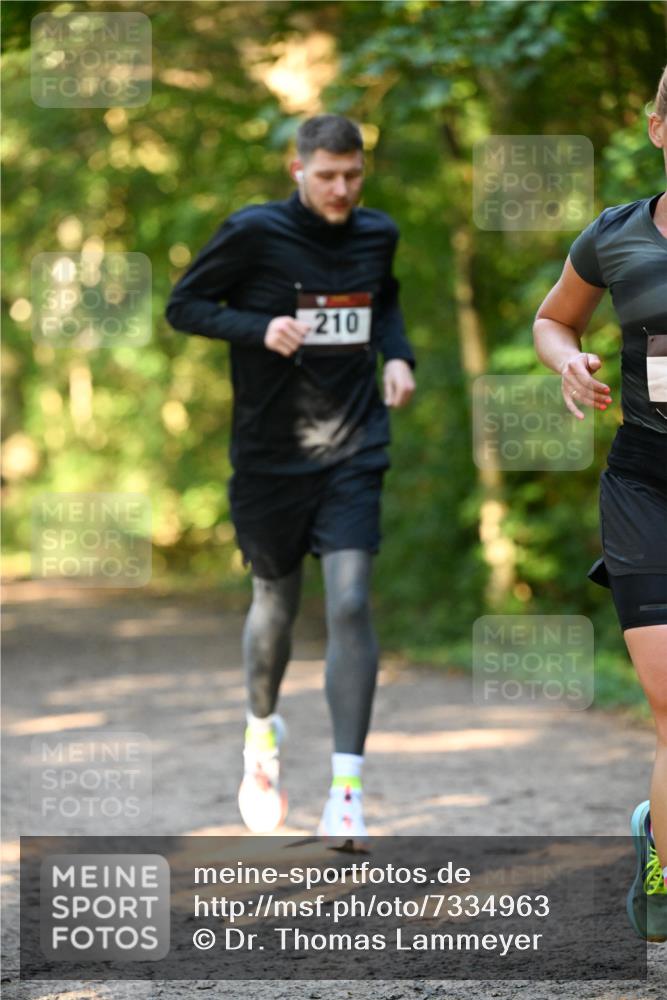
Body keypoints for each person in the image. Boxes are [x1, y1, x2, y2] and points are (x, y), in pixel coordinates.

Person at [165, 114, 416, 845]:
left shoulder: (378, 233)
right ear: (296, 169)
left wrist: (397, 355)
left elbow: (386, 299)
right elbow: (183, 306)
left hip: (355, 446)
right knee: (275, 606)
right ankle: (260, 736)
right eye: (327, 175)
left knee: (349, 603)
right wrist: (258, 328)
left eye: (353, 175)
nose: (341, 189)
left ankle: (345, 789)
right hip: (270, 457)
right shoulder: (251, 233)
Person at [533, 67, 667, 942]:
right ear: (657, 129)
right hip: (645, 488)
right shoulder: (614, 237)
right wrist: (567, 363)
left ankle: (652, 829)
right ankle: (661, 868)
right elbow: (555, 319)